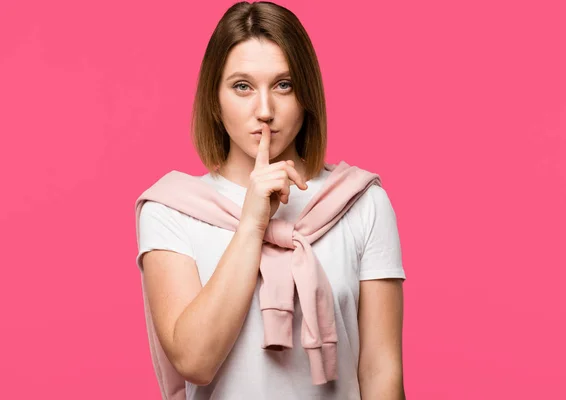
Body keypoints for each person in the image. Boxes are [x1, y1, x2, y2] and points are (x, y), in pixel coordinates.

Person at [135, 1, 406, 399]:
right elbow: (194, 360)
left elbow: (381, 370)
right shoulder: (170, 209)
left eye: (284, 85)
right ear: (215, 98)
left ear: (306, 95)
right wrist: (252, 223)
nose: (264, 110)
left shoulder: (362, 202)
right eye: (242, 86)